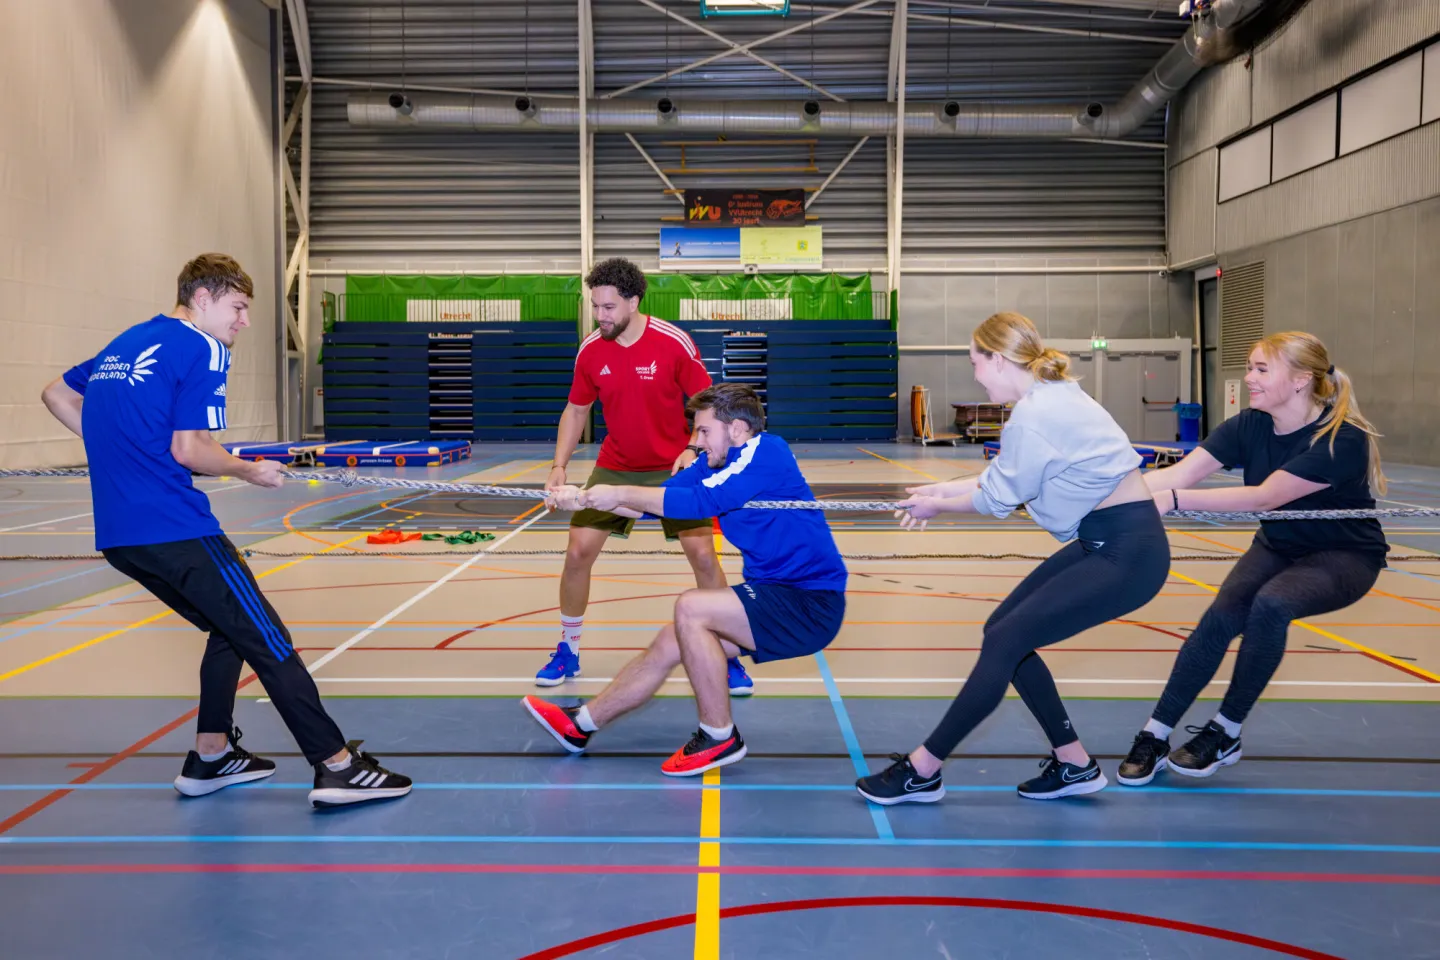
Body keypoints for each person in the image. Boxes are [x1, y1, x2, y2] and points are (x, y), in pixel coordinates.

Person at [40, 253, 410, 808]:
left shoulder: (128, 342)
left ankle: (211, 755)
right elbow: (190, 449)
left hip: (121, 537)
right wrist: (248, 468)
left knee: (228, 630)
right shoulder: (202, 346)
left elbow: (57, 394)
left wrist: (122, 453)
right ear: (204, 298)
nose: (243, 321)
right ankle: (336, 766)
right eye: (238, 307)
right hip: (176, 528)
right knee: (270, 640)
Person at [855, 312, 1170, 805]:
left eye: (976, 363)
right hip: (1109, 540)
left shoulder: (1036, 414)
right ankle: (1074, 764)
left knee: (1006, 639)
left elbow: (995, 499)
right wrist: (938, 490)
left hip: (1127, 552)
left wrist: (939, 505)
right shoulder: (1052, 396)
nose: (975, 374)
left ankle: (923, 768)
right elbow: (1007, 476)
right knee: (1003, 629)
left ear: (998, 360)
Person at [523, 383, 848, 776]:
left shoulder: (767, 452)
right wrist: (586, 498)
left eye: (704, 431)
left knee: (692, 607)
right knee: (668, 642)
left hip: (809, 601)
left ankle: (718, 735)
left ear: (738, 430)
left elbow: (703, 502)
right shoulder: (711, 464)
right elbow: (661, 499)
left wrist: (618, 491)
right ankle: (582, 724)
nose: (697, 441)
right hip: (771, 594)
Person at [1117, 332, 1388, 785]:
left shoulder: (1343, 439)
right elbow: (1180, 473)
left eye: (1261, 369)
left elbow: (1265, 497)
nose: (1248, 379)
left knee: (1272, 604)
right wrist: (1107, 495)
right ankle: (1155, 733)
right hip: (1279, 545)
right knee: (1219, 618)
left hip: (1344, 556)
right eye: (1250, 367)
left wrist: (1177, 501)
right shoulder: (1250, 425)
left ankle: (1226, 731)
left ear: (1302, 380)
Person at [540, 257, 753, 696]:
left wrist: (693, 450)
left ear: (634, 302)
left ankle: (728, 654)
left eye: (609, 308)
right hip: (617, 461)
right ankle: (568, 648)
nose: (600, 316)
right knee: (578, 552)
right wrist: (559, 466)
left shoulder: (672, 342)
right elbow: (577, 409)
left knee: (704, 557)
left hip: (675, 465)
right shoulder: (591, 350)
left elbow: (707, 405)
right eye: (595, 306)